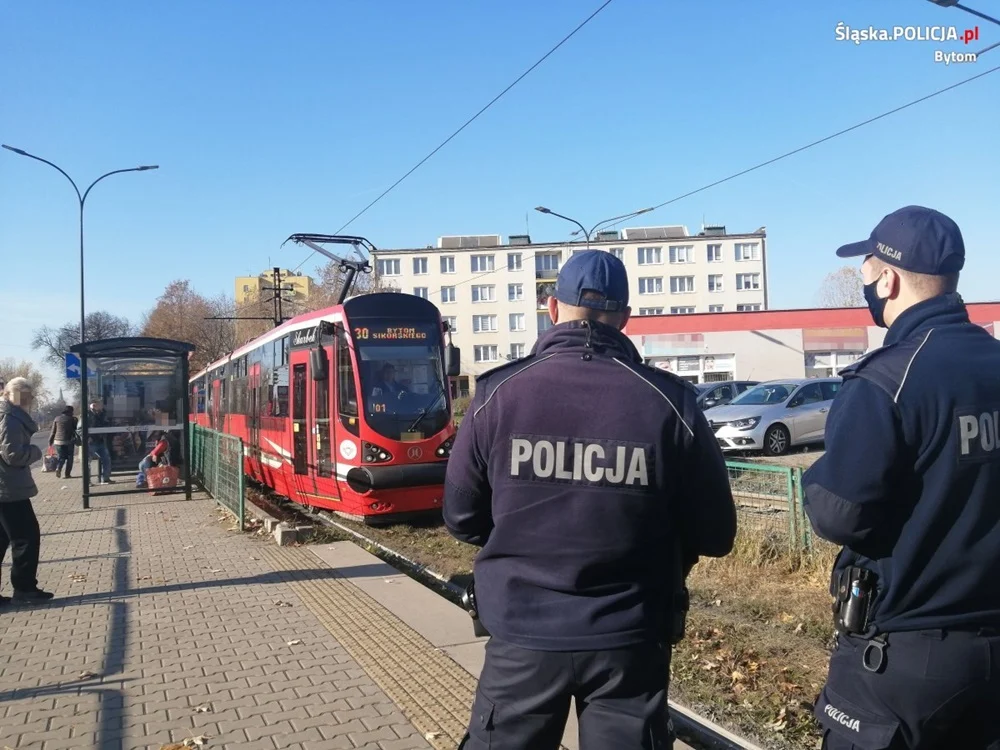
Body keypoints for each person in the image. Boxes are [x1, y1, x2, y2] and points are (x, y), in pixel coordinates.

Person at [443, 250, 737, 749]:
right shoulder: (672, 401)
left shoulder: (498, 393)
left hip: (522, 634)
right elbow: (716, 532)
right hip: (631, 640)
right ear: (625, 318)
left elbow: (461, 516)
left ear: (552, 309)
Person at [802, 205, 1000, 749]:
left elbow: (840, 513)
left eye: (865, 269)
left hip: (903, 660)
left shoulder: (886, 379)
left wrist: (811, 481)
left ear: (887, 278)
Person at [0, 378, 54, 605]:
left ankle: (24, 588)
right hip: (8, 487)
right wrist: (35, 452)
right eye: (28, 395)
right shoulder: (9, 419)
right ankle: (24, 589)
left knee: (3, 538)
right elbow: (14, 455)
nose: (30, 400)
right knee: (26, 538)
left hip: (5, 486)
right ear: (17, 395)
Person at [48, 405, 78, 479]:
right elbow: (76, 429)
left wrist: (50, 442)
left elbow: (53, 431)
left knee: (61, 457)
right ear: (71, 412)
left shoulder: (57, 418)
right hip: (69, 441)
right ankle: (67, 474)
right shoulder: (72, 419)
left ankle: (58, 468)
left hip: (57, 441)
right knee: (70, 458)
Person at [87, 400, 113, 484]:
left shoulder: (102, 414)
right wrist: (87, 437)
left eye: (99, 405)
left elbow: (105, 424)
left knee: (106, 459)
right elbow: (80, 428)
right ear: (92, 406)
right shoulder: (87, 415)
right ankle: (88, 482)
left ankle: (105, 478)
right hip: (91, 441)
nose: (99, 407)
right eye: (96, 405)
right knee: (88, 461)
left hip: (100, 440)